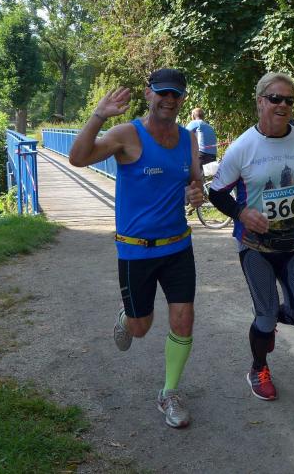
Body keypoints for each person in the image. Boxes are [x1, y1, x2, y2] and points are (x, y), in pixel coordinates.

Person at [68, 68, 204, 428]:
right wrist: (98, 116)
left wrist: (196, 193)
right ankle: (125, 318)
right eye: (162, 92)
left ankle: (169, 393)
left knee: (184, 318)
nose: (169, 100)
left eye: (175, 94)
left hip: (177, 246)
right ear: (148, 94)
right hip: (136, 251)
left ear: (182, 99)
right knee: (141, 327)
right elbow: (77, 158)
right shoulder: (127, 134)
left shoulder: (189, 138)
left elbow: (195, 181)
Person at [207, 72, 294, 401]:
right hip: (254, 246)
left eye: (289, 100)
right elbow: (216, 192)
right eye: (275, 98)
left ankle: (269, 319)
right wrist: (241, 213)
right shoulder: (243, 147)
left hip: (293, 244)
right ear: (260, 101)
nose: (283, 105)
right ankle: (258, 369)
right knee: (264, 315)